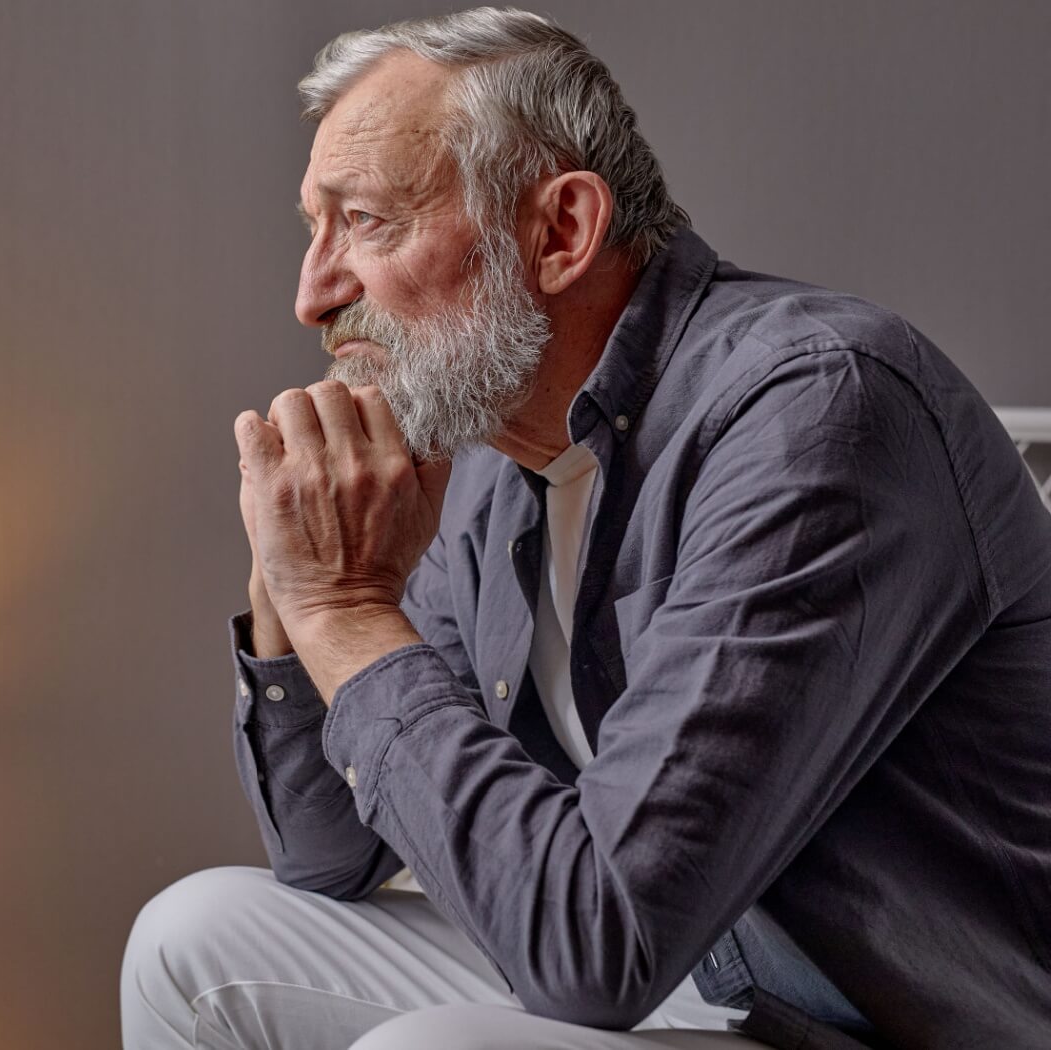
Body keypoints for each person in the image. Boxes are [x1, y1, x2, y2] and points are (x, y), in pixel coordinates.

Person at [121, 8, 1051, 1050]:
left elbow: (594, 951)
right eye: (313, 227)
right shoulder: (498, 456)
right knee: (194, 935)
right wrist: (294, 577)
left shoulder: (815, 411)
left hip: (875, 1019)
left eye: (368, 222)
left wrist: (344, 607)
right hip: (696, 970)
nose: (313, 294)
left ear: (559, 231)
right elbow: (323, 852)